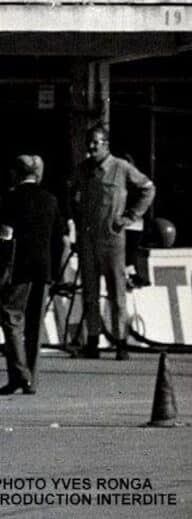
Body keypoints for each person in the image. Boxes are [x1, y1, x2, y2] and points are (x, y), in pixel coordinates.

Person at [71, 124, 155, 360]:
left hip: (112, 239)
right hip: (88, 239)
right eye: (89, 142)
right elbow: (71, 194)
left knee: (117, 292)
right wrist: (77, 221)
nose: (91, 147)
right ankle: (92, 340)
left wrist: (129, 217)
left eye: (96, 143)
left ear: (106, 144)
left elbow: (148, 189)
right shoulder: (82, 170)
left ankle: (121, 342)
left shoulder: (121, 168)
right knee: (90, 293)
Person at [0, 155, 66, 395]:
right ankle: (31, 378)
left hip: (18, 268)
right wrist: (55, 271)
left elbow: (4, 235)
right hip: (43, 269)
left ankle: (19, 374)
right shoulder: (51, 200)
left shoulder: (12, 198)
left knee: (12, 318)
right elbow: (60, 240)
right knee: (35, 324)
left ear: (16, 173)